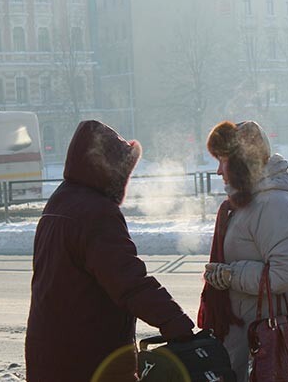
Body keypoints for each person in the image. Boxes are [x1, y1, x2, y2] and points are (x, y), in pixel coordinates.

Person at [25, 120, 194, 381]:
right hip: (89, 358)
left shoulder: (60, 201)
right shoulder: (96, 213)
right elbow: (129, 282)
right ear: (106, 168)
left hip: (49, 351)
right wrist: (174, 322)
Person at [197, 120, 288, 382]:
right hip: (250, 334)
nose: (219, 171)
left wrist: (231, 276)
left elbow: (283, 275)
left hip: (272, 340)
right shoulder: (248, 202)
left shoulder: (273, 204)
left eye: (223, 160)